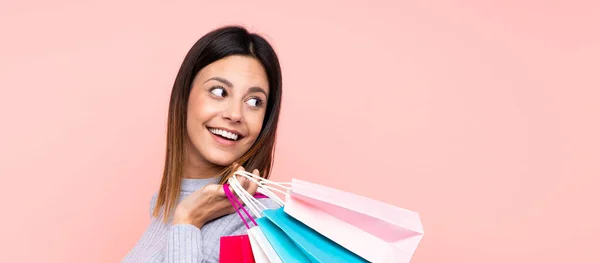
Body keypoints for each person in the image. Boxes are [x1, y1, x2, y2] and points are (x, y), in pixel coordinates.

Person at [122, 25, 283, 263]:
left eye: (254, 101)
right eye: (219, 91)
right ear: (185, 95)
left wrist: (188, 221)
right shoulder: (164, 203)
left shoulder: (260, 223)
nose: (235, 114)